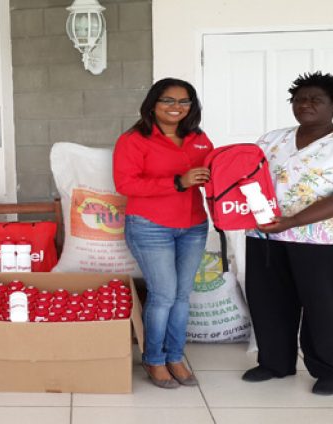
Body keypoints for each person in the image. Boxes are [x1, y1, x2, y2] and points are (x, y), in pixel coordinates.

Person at [241, 72, 333, 395]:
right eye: (300, 99)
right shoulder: (271, 139)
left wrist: (292, 221)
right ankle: (275, 362)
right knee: (269, 303)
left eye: (316, 100)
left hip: (323, 241)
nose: (306, 105)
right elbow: (246, 179)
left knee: (325, 306)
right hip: (266, 237)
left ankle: (331, 369)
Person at [113, 78, 213, 389]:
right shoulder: (133, 140)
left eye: (184, 102)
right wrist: (177, 183)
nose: (176, 107)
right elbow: (126, 185)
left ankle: (175, 356)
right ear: (153, 104)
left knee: (182, 297)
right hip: (150, 226)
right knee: (164, 296)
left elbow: (214, 175)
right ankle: (154, 359)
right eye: (168, 100)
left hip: (194, 226)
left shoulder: (199, 138)